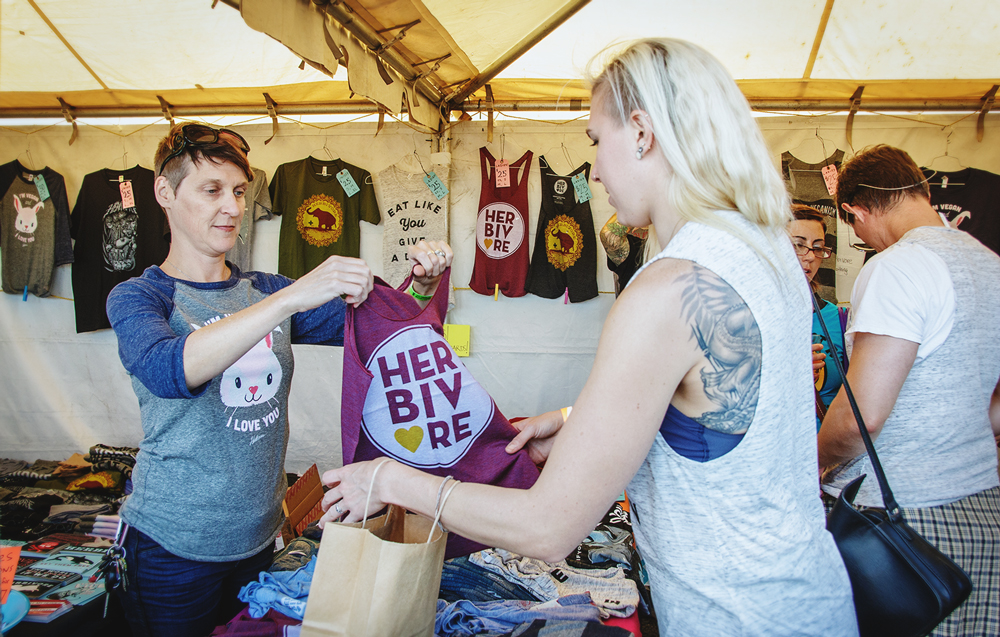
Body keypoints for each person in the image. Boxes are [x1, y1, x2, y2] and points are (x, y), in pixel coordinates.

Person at [320, 39, 857, 636]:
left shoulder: (664, 291)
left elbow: (548, 528)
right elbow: (725, 405)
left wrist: (393, 480)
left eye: (597, 141)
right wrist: (580, 418)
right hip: (809, 597)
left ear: (643, 132)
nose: (595, 170)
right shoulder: (767, 250)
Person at [106, 123, 452, 637]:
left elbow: (378, 327)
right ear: (165, 192)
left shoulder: (260, 290)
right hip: (171, 550)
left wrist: (421, 285)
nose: (232, 207)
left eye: (240, 192)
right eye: (212, 190)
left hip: (258, 543)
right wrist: (290, 298)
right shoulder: (140, 296)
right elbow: (169, 369)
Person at [819, 144, 1000, 635]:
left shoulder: (898, 265)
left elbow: (863, 417)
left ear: (855, 209)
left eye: (854, 229)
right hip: (982, 502)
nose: (863, 240)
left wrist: (811, 463)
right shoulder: (989, 262)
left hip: (899, 519)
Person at [789, 204, 846, 425]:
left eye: (818, 247)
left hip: (826, 449)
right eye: (798, 245)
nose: (810, 256)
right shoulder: (748, 316)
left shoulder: (838, 319)